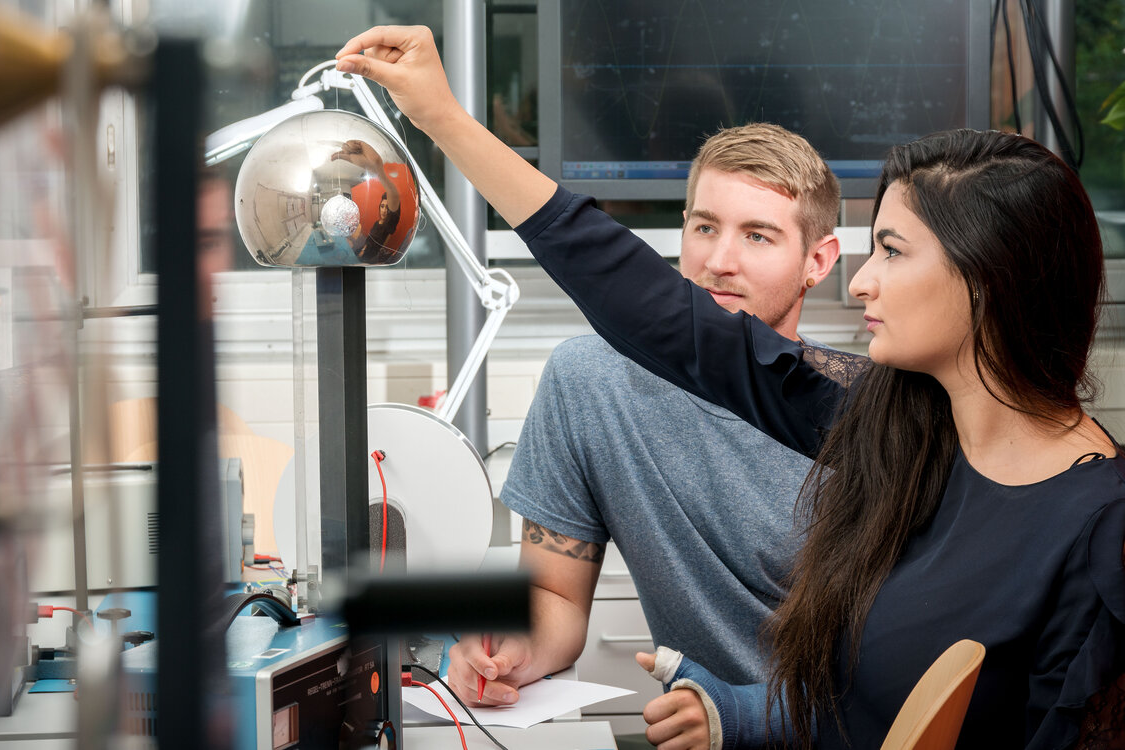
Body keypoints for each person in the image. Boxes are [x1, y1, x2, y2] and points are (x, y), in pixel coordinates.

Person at [336, 26, 1125, 749]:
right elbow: (650, 309)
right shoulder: (897, 423)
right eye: (703, 228)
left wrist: (744, 717)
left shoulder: (1099, 530)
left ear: (986, 284)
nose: (862, 285)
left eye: (890, 251)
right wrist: (442, 120)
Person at [443, 122, 842, 725]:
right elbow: (554, 596)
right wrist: (513, 646)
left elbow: (903, 675)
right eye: (704, 227)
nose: (719, 261)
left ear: (818, 261)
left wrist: (740, 720)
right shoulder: (590, 382)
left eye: (758, 236)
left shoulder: (858, 416)